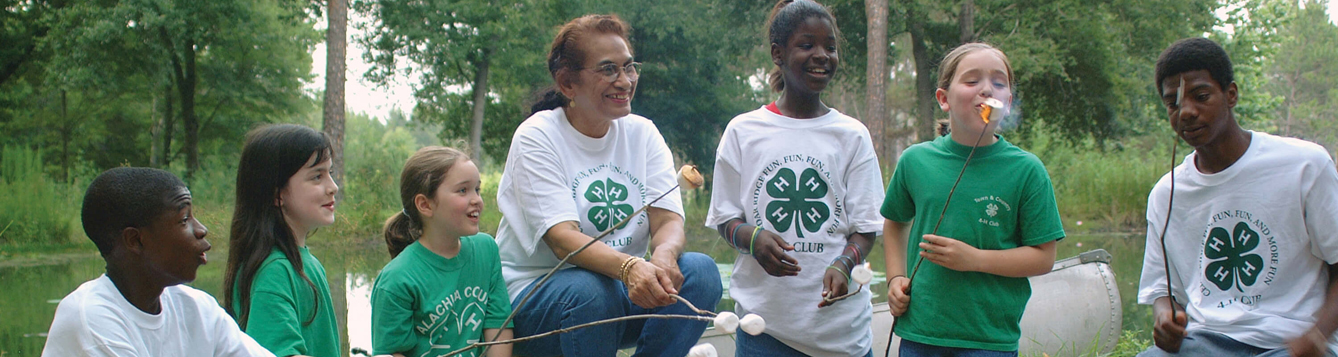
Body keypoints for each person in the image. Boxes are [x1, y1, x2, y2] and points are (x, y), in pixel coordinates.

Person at [493, 13, 723, 357]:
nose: (625, 80)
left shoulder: (642, 133)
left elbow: (668, 221)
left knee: (701, 273)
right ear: (568, 83)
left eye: (629, 67)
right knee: (588, 288)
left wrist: (663, 254)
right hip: (536, 302)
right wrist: (629, 266)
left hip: (616, 293)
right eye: (608, 70)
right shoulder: (537, 136)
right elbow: (562, 240)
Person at [1136, 37, 1338, 357]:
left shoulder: (1305, 165)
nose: (1186, 112)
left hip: (1291, 343)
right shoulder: (1166, 194)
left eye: (1200, 96)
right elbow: (1164, 291)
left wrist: (1317, 336)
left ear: (1231, 94)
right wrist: (1165, 320)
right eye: (1173, 103)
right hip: (1207, 342)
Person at [703, 1, 883, 355]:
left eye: (829, 47)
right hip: (764, 329)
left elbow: (866, 227)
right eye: (806, 45)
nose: (821, 55)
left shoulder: (852, 135)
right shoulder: (744, 131)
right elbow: (725, 218)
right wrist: (752, 238)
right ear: (778, 53)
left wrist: (845, 263)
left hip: (841, 334)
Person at [881, 42, 1065, 356]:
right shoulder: (915, 161)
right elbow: (895, 223)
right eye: (971, 81)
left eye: (998, 83)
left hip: (989, 339)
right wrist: (896, 277)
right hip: (920, 334)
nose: (986, 89)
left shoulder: (1026, 170)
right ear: (944, 99)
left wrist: (975, 260)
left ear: (1008, 102)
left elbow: (1043, 257)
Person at [41, 167, 274, 357]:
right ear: (135, 240)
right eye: (184, 219)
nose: (202, 230)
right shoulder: (91, 319)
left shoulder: (196, 308)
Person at [371, 146, 513, 357]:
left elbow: (498, 327)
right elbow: (392, 352)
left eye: (477, 189)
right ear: (425, 205)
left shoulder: (486, 250)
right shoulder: (396, 280)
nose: (477, 200)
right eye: (463, 190)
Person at [222, 124, 341, 357]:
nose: (333, 187)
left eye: (330, 173)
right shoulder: (274, 271)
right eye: (317, 176)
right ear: (277, 194)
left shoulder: (305, 262)